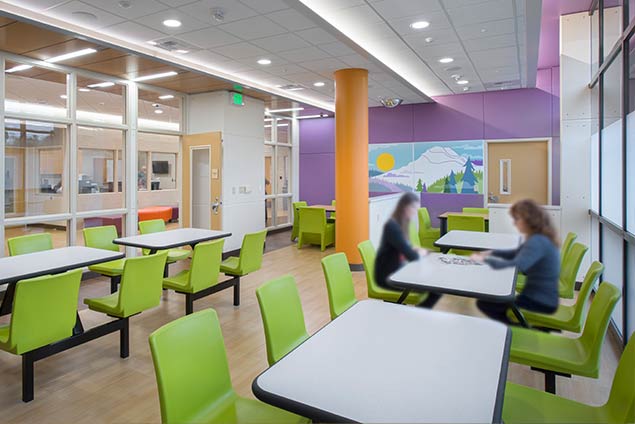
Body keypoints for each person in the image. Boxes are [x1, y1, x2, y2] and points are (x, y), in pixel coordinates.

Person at [471, 199, 560, 324]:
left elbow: (518, 265)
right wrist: (492, 253)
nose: (514, 223)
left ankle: (515, 330)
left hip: (540, 301)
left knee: (485, 304)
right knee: (491, 300)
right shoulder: (540, 237)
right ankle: (515, 327)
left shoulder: (537, 241)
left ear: (529, 219)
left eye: (517, 219)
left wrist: (486, 260)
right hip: (544, 296)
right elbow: (515, 253)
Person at [374, 192, 441, 308]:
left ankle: (416, 314)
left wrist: (418, 250)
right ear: (404, 207)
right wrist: (422, 253)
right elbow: (411, 255)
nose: (415, 212)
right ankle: (419, 316)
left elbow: (406, 246)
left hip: (397, 270)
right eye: (413, 208)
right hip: (389, 277)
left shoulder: (400, 224)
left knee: (434, 283)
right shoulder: (393, 226)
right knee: (435, 288)